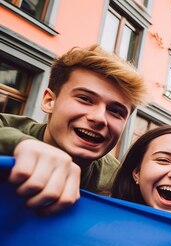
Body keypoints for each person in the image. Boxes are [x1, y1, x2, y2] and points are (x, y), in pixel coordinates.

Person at [0, 44, 147, 214]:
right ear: (49, 101)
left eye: (116, 111)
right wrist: (21, 145)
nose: (99, 118)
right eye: (85, 99)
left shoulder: (118, 180)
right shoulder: (10, 127)